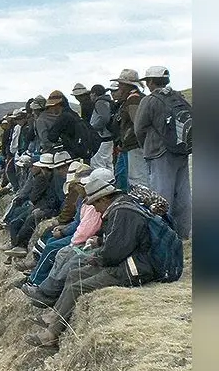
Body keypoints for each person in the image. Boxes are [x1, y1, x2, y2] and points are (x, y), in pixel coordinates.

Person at [24, 169, 158, 348]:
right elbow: (121, 241)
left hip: (135, 268)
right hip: (128, 260)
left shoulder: (123, 213)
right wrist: (101, 242)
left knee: (79, 285)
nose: (94, 208)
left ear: (104, 198)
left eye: (95, 203)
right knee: (74, 275)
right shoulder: (121, 208)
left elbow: (113, 253)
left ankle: (52, 335)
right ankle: (55, 316)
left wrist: (96, 258)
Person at [135, 66, 192, 240]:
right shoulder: (177, 96)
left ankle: (164, 236)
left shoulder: (149, 100)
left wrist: (144, 146)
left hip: (159, 152)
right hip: (181, 149)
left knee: (161, 195)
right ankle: (183, 233)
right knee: (183, 195)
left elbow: (139, 129)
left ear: (151, 81)